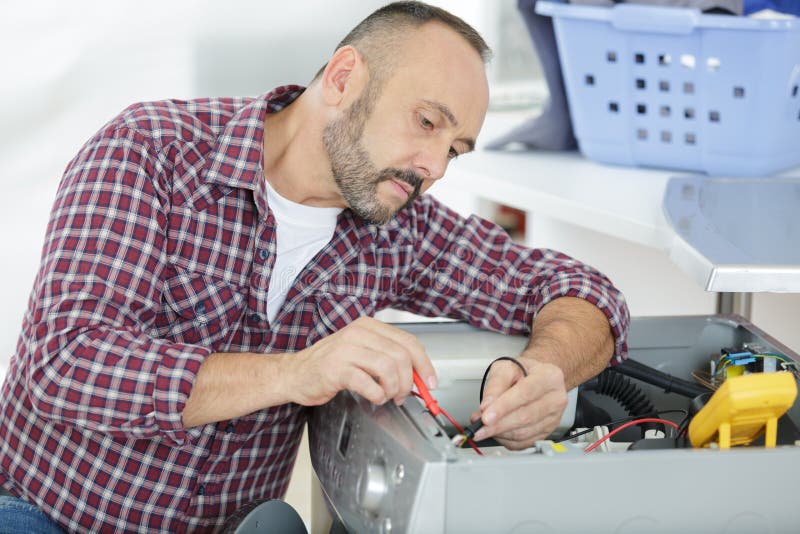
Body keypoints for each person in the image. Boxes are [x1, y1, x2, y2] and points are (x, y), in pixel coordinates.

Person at [0, 2, 629, 531]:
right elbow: (65, 365)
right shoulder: (150, 150)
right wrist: (296, 372)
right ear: (343, 78)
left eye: (454, 150)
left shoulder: (399, 227)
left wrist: (547, 369)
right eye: (426, 122)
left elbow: (585, 292)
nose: (434, 167)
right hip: (45, 513)